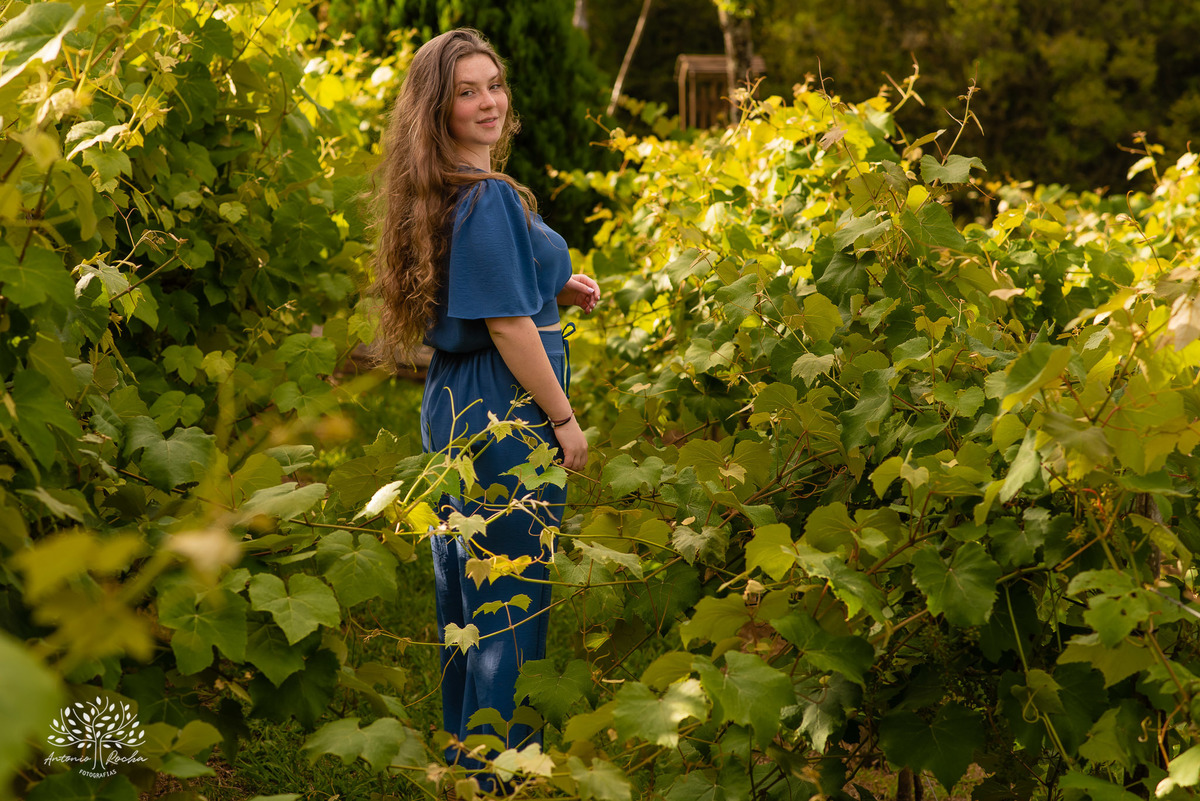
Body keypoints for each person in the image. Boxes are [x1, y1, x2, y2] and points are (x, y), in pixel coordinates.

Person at [368, 27, 600, 791]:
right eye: (467, 91)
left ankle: (467, 761)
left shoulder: (443, 188)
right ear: (438, 108)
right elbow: (506, 325)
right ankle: (501, 774)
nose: (489, 101)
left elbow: (485, 283)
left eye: (493, 84)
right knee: (510, 599)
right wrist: (561, 417)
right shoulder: (489, 194)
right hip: (504, 406)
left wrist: (550, 280)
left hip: (452, 398)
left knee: (467, 595)